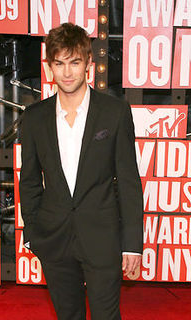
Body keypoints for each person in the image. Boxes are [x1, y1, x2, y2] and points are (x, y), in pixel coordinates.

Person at [19, 23, 143, 320]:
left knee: (106, 315)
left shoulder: (114, 112)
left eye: (74, 62)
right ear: (49, 67)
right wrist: (33, 232)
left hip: (102, 236)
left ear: (89, 64)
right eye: (59, 63)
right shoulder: (35, 117)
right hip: (54, 237)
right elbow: (30, 180)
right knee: (68, 315)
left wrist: (132, 244)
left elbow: (128, 181)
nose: (67, 72)